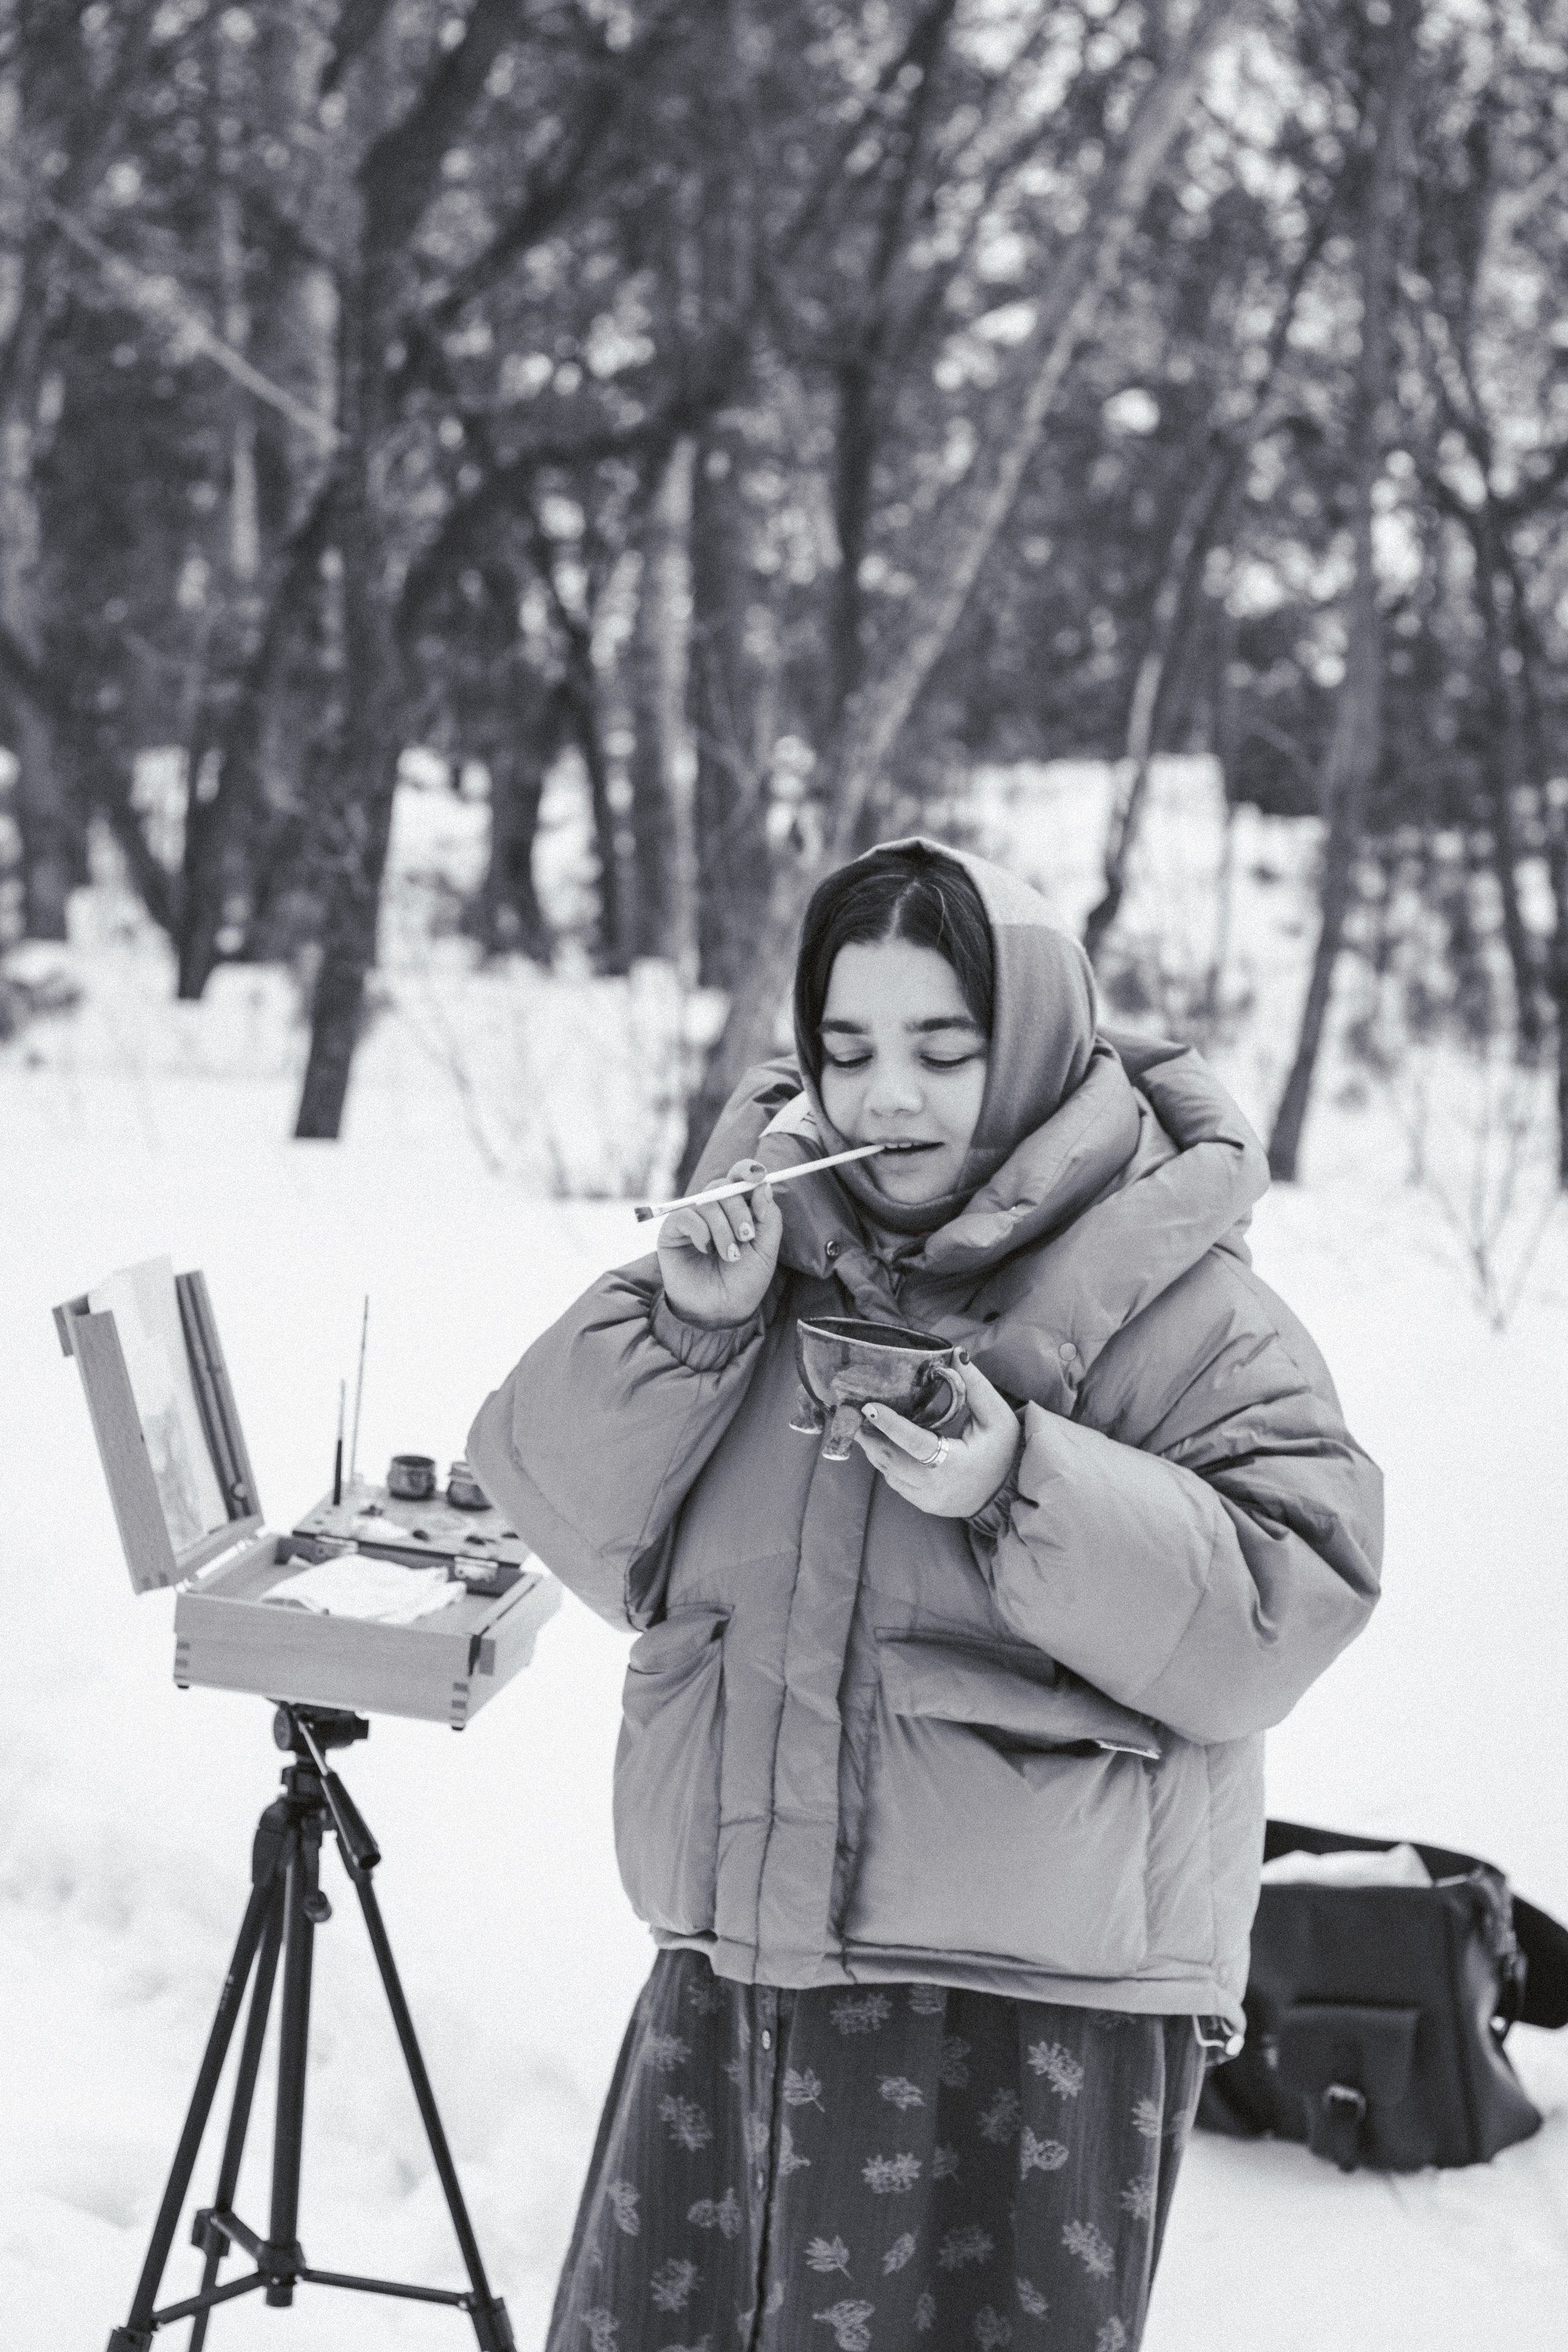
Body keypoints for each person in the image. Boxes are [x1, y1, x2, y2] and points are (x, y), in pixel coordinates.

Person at [467, 840, 1383, 2352]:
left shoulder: (1185, 1299)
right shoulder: (761, 1252)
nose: (884, 1096)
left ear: (1024, 1044)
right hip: (741, 1970)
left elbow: (1283, 1610)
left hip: (1030, 2027)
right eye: (847, 1050)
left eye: (940, 1051)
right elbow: (563, 1507)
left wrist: (1021, 1480)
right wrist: (689, 1329)